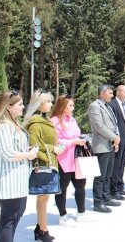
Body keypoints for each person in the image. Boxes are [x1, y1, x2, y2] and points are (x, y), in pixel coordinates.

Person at [0, 90, 38, 242]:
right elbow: (8, 154)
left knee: (16, 215)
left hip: (17, 180)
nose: (23, 107)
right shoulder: (4, 127)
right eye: (20, 104)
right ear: (8, 107)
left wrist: (26, 151)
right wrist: (28, 155)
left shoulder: (14, 125)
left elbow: (13, 149)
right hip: (8, 181)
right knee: (9, 218)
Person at [23, 89, 63, 242]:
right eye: (48, 102)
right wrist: (52, 149)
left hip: (49, 162)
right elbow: (34, 145)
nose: (51, 104)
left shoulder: (44, 120)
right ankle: (43, 231)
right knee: (42, 198)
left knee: (44, 198)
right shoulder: (35, 123)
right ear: (39, 104)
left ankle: (41, 228)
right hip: (43, 165)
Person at [50, 94, 95, 226]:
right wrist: (73, 141)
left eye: (73, 105)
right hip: (63, 159)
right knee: (62, 188)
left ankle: (81, 212)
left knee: (80, 185)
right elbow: (56, 142)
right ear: (62, 105)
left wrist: (81, 140)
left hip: (76, 158)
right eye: (70, 105)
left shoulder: (72, 120)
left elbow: (76, 134)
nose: (73, 108)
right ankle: (62, 215)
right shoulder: (55, 121)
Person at [87, 84, 121, 213]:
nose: (112, 96)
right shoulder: (95, 106)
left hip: (111, 144)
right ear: (102, 93)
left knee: (108, 174)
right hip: (101, 145)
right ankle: (98, 202)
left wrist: (116, 138)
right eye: (110, 93)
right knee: (100, 176)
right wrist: (113, 137)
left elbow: (114, 123)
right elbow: (98, 126)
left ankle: (107, 198)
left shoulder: (108, 106)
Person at [108, 85, 125, 200]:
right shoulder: (112, 105)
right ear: (117, 92)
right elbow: (112, 124)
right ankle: (113, 190)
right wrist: (115, 139)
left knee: (122, 164)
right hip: (117, 139)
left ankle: (120, 187)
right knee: (116, 164)